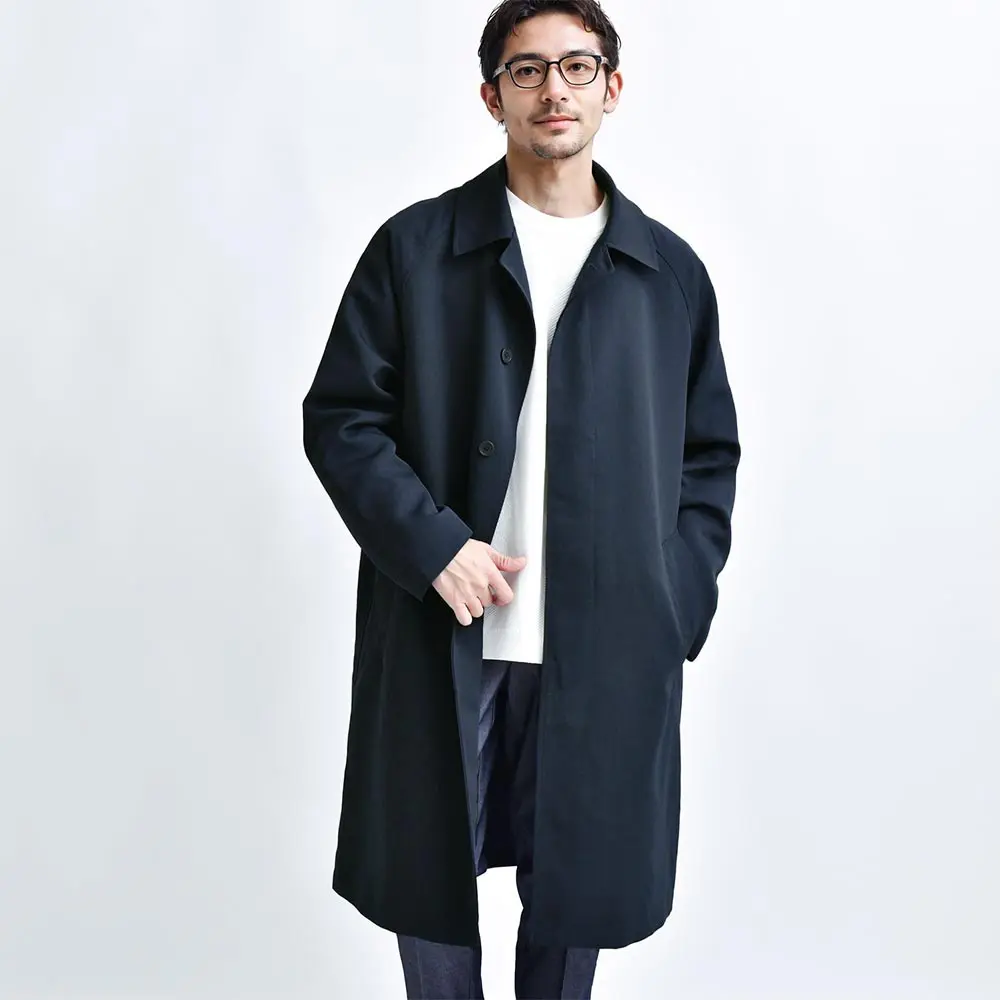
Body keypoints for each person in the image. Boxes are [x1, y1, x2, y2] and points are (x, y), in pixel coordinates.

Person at [301, 1, 740, 995]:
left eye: (577, 67)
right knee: (428, 889)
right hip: (448, 626)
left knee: (577, 897)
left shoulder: (667, 273)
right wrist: (433, 547)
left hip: (607, 640)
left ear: (612, 88)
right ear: (491, 94)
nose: (554, 89)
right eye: (527, 69)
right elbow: (342, 418)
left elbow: (707, 456)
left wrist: (670, 601)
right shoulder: (416, 249)